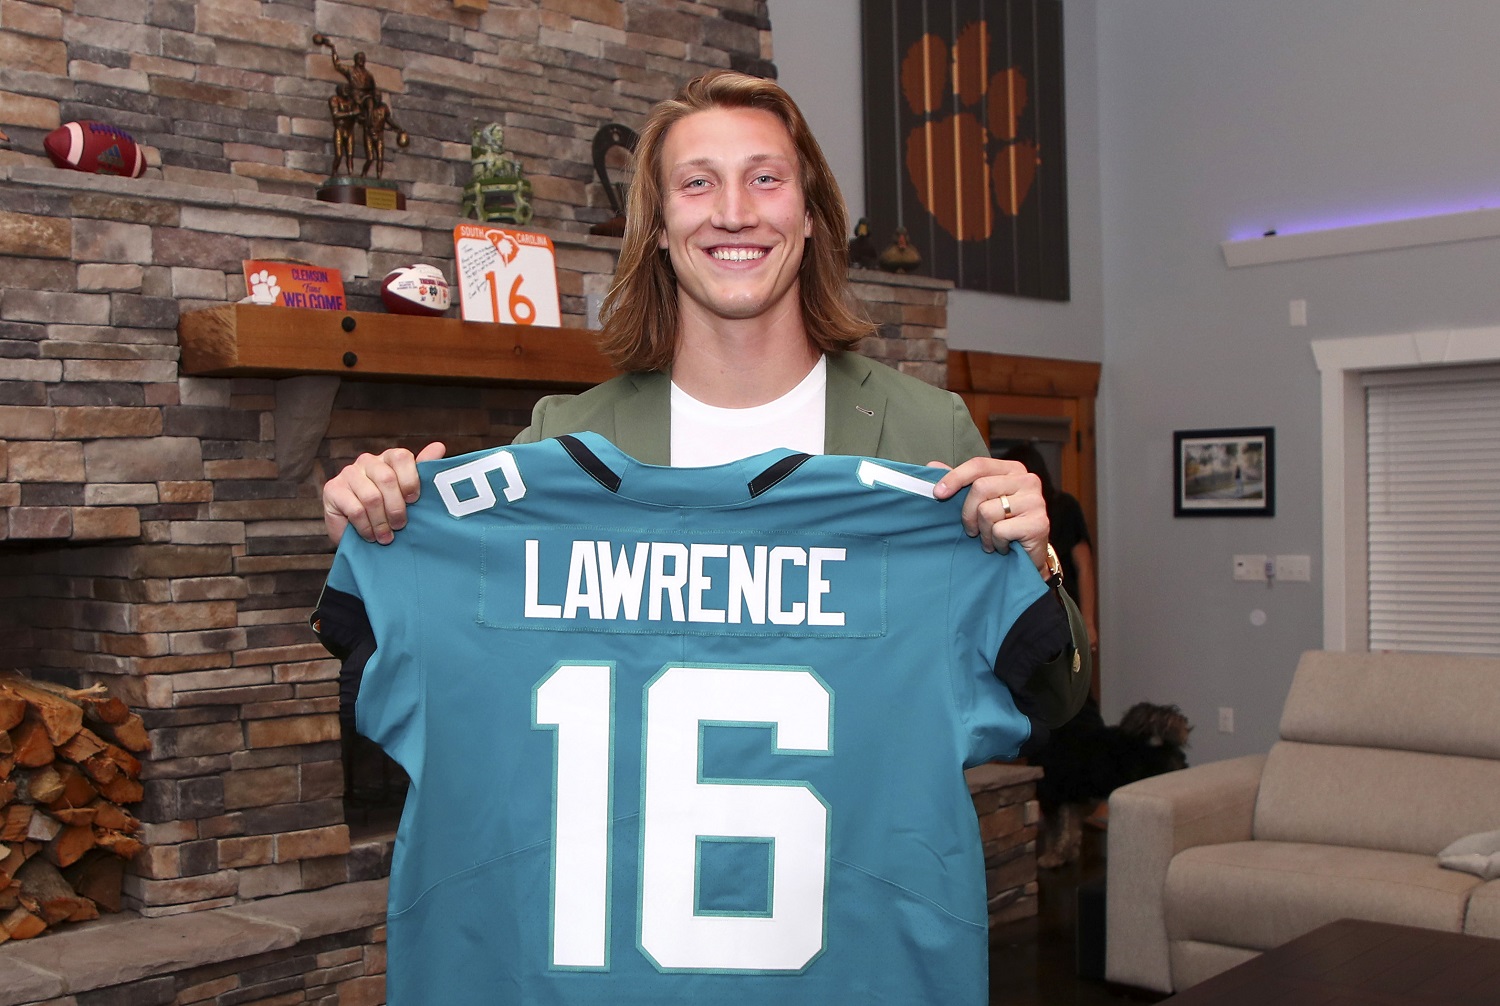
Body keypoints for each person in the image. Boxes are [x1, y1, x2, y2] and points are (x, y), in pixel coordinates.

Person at [320, 69, 1088, 727]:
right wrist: (384, 529)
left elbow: (1055, 700)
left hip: (853, 889)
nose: (733, 212)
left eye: (765, 177)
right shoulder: (567, 436)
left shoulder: (926, 427)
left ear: (811, 216)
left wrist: (1034, 558)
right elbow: (473, 664)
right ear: (657, 227)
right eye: (697, 182)